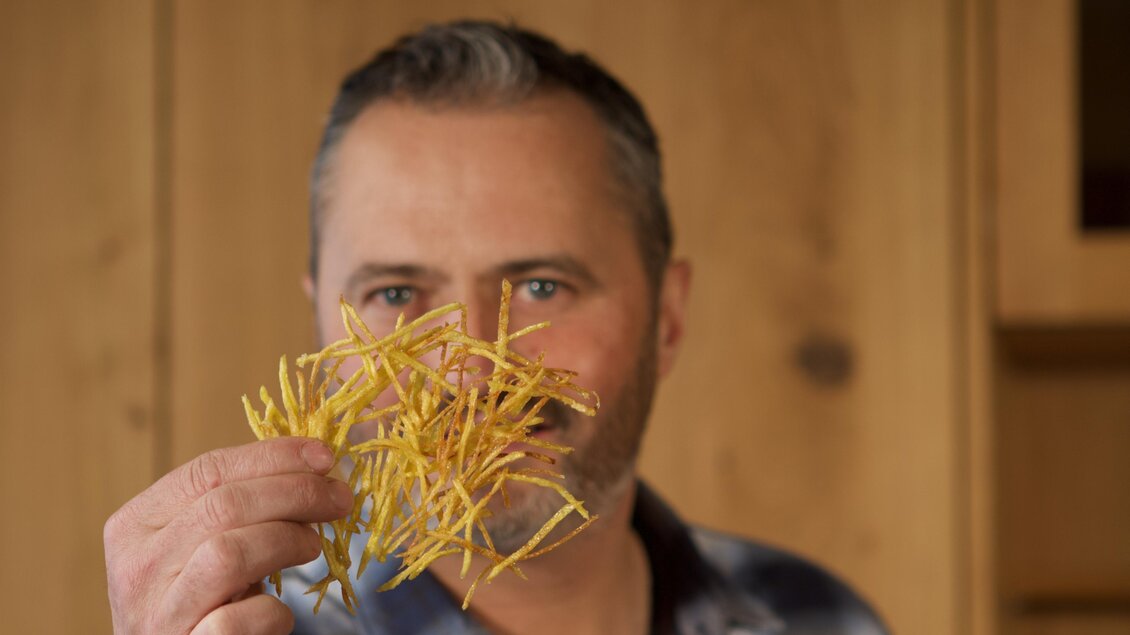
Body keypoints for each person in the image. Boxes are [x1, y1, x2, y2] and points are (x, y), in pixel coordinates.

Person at [104, 20, 889, 635]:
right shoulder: (247, 628)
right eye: (396, 293)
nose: (470, 372)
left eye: (542, 287)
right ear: (323, 327)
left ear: (668, 320)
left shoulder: (823, 617)